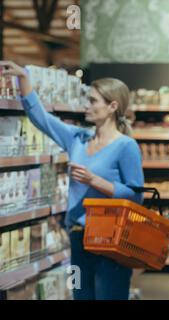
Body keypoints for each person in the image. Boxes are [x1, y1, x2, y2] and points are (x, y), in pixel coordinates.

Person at [0, 61, 144, 300]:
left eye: (92, 101)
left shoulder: (126, 146)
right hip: (78, 236)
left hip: (111, 240)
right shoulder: (79, 138)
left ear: (112, 106)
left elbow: (136, 195)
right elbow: (42, 119)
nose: (85, 105)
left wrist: (94, 181)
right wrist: (23, 80)